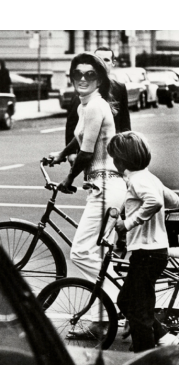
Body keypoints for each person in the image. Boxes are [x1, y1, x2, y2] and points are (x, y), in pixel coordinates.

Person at [48, 52, 127, 338]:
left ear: (100, 78)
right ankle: (100, 322)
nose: (82, 79)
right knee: (99, 255)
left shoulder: (95, 106)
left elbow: (87, 150)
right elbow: (79, 139)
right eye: (77, 74)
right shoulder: (87, 105)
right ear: (71, 77)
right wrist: (60, 154)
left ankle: (123, 302)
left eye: (89, 74)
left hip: (106, 187)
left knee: (81, 252)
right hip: (104, 186)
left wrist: (68, 179)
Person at [107, 131, 179, 353]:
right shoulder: (148, 178)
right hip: (152, 252)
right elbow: (173, 200)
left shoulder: (138, 180)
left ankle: (145, 356)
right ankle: (162, 336)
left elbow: (155, 201)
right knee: (126, 301)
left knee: (138, 310)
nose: (113, 162)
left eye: (114, 158)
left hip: (147, 254)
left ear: (121, 160)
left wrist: (128, 223)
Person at [65, 46, 131, 166]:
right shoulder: (84, 86)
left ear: (113, 63)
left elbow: (124, 121)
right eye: (98, 59)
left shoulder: (119, 88)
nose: (102, 63)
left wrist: (127, 148)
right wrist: (70, 152)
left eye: (106, 59)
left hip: (113, 149)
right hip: (87, 147)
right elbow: (72, 122)